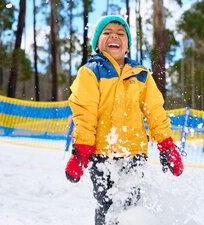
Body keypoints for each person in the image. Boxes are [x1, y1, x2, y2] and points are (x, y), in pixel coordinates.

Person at [65, 15, 184, 225]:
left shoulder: (141, 75)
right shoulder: (90, 72)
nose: (114, 36)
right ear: (97, 43)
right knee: (108, 207)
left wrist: (166, 144)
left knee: (131, 206)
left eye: (121, 34)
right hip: (102, 155)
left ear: (127, 44)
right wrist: (82, 148)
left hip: (134, 154)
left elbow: (155, 110)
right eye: (107, 32)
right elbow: (85, 112)